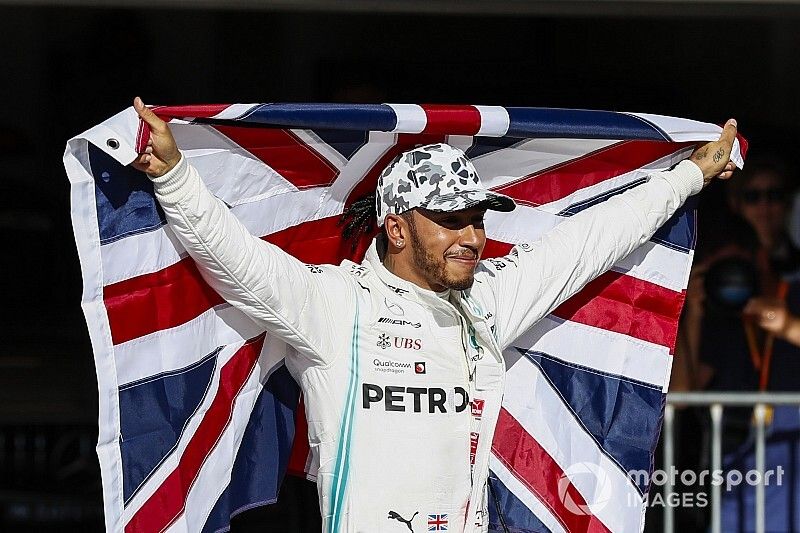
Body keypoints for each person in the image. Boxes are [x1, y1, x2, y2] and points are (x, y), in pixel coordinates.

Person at [130, 97, 737, 533]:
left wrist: (689, 174)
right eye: (449, 219)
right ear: (396, 227)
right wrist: (176, 176)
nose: (471, 234)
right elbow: (237, 259)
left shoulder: (488, 303)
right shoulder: (335, 304)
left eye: (476, 217)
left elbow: (588, 243)